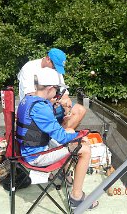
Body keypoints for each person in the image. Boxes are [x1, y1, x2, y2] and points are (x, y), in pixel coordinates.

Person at [16, 67, 99, 210]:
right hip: (36, 157)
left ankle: (66, 177)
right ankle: (76, 198)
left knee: (69, 129)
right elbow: (61, 138)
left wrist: (54, 106)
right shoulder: (41, 108)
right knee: (84, 149)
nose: (58, 93)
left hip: (28, 150)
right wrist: (82, 135)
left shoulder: (28, 99)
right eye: (57, 89)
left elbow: (41, 125)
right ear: (50, 88)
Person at [17, 48, 86, 129]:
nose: (55, 69)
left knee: (80, 110)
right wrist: (50, 103)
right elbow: (30, 96)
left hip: (53, 106)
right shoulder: (29, 68)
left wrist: (68, 109)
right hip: (35, 108)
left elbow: (64, 93)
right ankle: (57, 137)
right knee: (47, 112)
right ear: (48, 59)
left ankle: (59, 138)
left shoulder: (55, 70)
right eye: (55, 66)